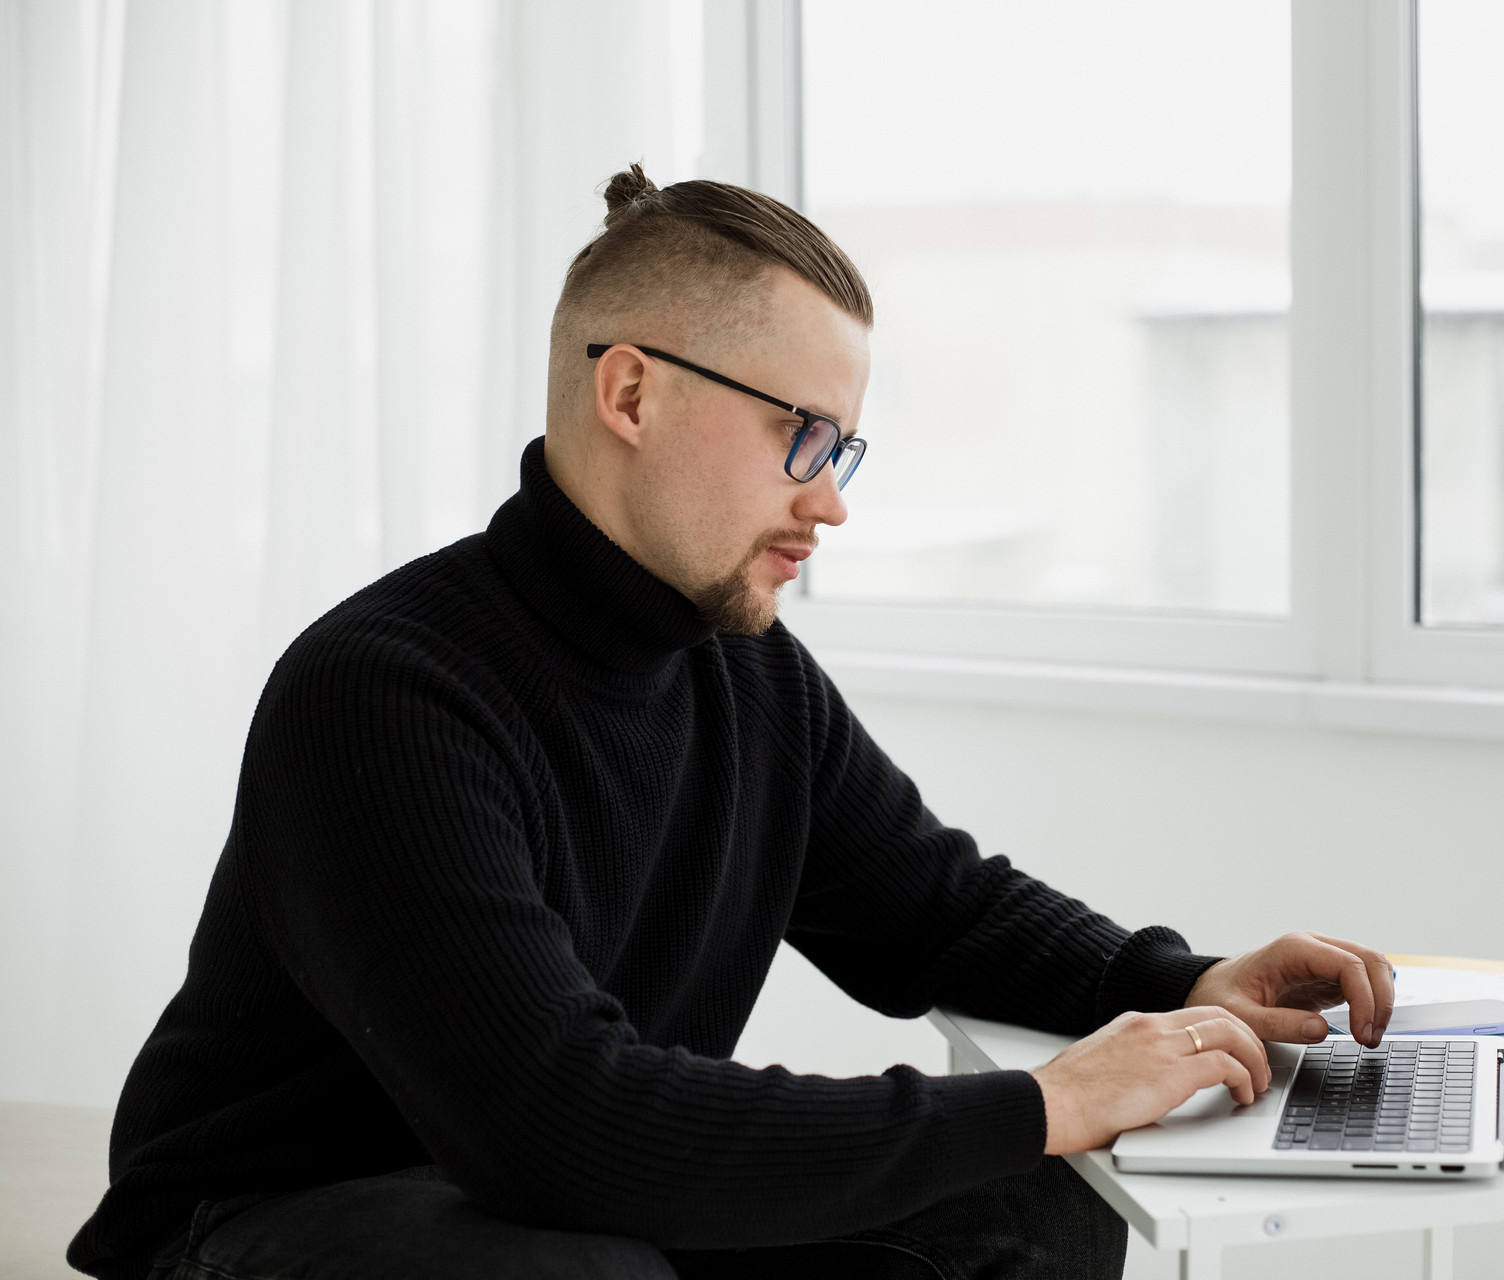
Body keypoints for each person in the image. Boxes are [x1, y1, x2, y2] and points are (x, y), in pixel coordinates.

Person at [69, 164, 1395, 1280]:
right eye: (800, 437)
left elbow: (942, 913)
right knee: (589, 1272)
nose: (830, 502)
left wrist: (1179, 987)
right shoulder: (386, 696)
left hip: (544, 1181)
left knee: (1039, 1194)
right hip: (268, 1220)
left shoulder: (745, 675)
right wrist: (1046, 1097)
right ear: (632, 393)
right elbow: (556, 1122)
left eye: (845, 450)